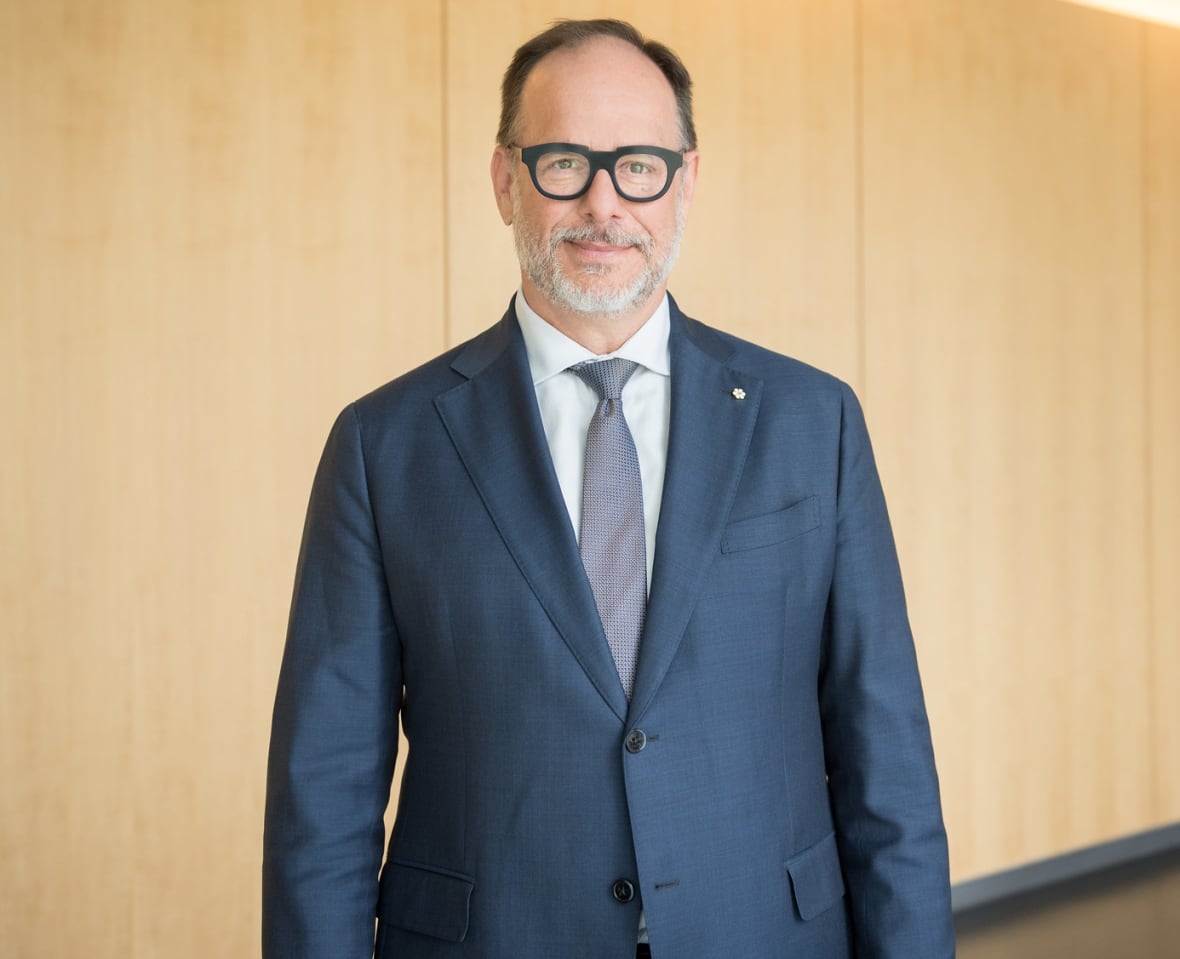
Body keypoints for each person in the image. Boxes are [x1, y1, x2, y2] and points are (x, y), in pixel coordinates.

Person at [263, 18, 955, 959]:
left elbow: (889, 769)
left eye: (639, 165)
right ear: (506, 179)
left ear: (686, 182)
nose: (604, 203)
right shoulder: (385, 447)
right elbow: (325, 794)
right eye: (563, 163)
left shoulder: (811, 422)